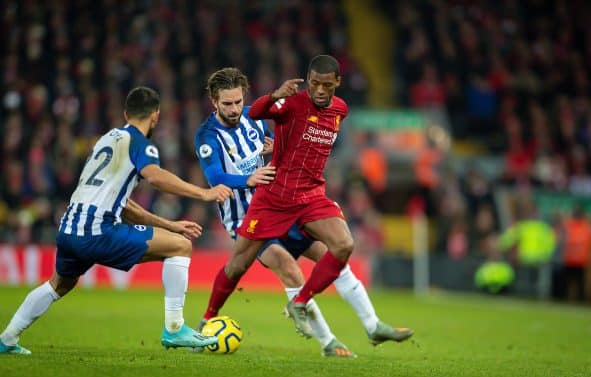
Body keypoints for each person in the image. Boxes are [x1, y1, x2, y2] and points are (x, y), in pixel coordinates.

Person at [195, 67, 413, 356]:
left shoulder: (255, 117)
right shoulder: (206, 135)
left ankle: (369, 326)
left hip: (283, 201)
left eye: (238, 102)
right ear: (214, 101)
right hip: (245, 215)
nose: (235, 109)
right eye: (227, 104)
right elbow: (214, 177)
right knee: (276, 266)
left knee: (332, 255)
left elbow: (274, 144)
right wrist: (246, 179)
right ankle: (209, 320)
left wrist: (272, 150)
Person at [0, 86, 233, 355]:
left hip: (69, 228)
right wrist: (204, 193)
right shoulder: (140, 144)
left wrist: (170, 225)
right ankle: (174, 327)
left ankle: (7, 338)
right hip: (99, 230)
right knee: (180, 247)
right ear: (155, 116)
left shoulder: (106, 140)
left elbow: (124, 205)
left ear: (126, 113)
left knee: (58, 284)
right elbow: (156, 177)